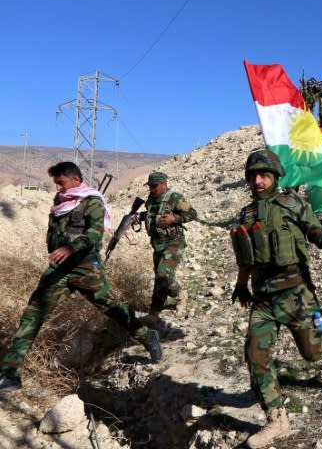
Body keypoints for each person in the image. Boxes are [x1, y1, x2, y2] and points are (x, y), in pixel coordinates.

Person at [230, 150, 322, 448]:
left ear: (275, 176)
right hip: (263, 299)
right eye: (253, 176)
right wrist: (241, 285)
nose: (258, 181)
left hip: (296, 293)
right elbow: (245, 255)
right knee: (255, 354)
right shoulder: (246, 214)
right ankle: (277, 420)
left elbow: (315, 232)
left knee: (312, 355)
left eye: (264, 175)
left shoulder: (293, 203)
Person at [0, 162, 161, 392]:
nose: (58, 188)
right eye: (56, 184)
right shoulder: (60, 202)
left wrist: (70, 248)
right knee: (32, 315)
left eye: (61, 183)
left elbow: (95, 234)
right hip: (59, 270)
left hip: (85, 268)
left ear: (75, 180)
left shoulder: (91, 202)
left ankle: (147, 336)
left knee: (112, 308)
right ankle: (10, 373)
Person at [135, 171, 197, 317]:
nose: (151, 189)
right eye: (150, 186)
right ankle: (180, 293)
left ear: (164, 184)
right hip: (158, 244)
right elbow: (151, 214)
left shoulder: (174, 198)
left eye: (154, 186)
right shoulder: (151, 199)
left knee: (163, 273)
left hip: (174, 242)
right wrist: (139, 217)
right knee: (162, 277)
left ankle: (154, 312)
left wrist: (174, 219)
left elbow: (193, 213)